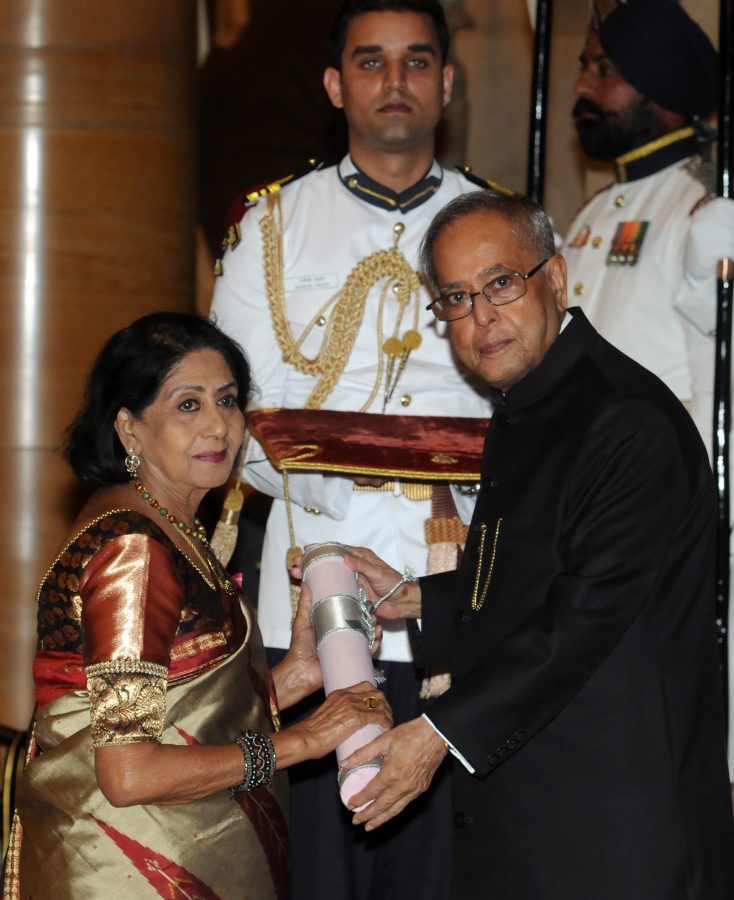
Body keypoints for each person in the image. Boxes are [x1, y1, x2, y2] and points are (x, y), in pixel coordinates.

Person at [337, 190, 734, 899]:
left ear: (554, 279)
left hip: (617, 835)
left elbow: (581, 620)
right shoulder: (535, 401)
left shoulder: (622, 419)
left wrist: (435, 735)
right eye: (456, 299)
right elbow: (528, 576)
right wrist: (418, 601)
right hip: (547, 817)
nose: (481, 317)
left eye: (500, 284)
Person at [209, 1, 495, 897]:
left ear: (446, 83)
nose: (395, 82)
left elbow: (539, 420)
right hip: (315, 593)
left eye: (417, 62)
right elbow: (229, 428)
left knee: (452, 865)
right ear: (337, 86)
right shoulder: (274, 228)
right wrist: (348, 474)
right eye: (371, 63)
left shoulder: (502, 230)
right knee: (320, 868)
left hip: (458, 590)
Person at [2, 313, 391, 899]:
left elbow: (182, 714)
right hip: (134, 870)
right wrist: (304, 743)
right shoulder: (132, 551)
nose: (218, 428)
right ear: (130, 428)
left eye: (228, 401)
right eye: (188, 405)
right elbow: (130, 772)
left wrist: (299, 675)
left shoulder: (165, 527)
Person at [561, 0, 734, 765]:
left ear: (662, 92)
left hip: (650, 538)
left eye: (604, 71)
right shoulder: (592, 211)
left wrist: (711, 280)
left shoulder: (716, 210)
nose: (585, 84)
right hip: (570, 525)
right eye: (586, 64)